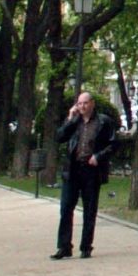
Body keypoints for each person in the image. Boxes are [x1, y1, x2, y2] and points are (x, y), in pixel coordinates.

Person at [51, 91, 118, 261]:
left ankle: (86, 246)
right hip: (73, 170)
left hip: (91, 170)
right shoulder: (74, 121)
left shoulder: (103, 121)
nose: (82, 106)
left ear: (92, 103)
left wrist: (99, 156)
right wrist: (69, 118)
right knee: (66, 208)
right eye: (79, 103)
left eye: (85, 103)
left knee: (89, 210)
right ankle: (64, 246)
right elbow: (59, 137)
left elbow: (113, 144)